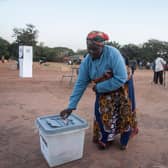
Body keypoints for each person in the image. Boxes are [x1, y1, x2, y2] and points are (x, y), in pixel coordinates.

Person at [60, 31, 137, 150]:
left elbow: (120, 78)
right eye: (89, 49)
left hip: (122, 84)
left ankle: (124, 139)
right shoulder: (87, 60)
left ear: (102, 46)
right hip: (103, 87)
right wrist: (71, 106)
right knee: (101, 112)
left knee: (125, 111)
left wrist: (99, 87)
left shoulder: (113, 54)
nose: (91, 52)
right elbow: (80, 83)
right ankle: (106, 138)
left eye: (94, 49)